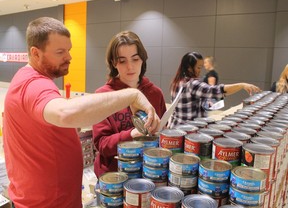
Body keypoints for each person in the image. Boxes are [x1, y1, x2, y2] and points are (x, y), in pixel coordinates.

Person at [3, 17, 160, 208]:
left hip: (54, 198)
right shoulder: (33, 85)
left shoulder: (31, 81)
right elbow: (65, 113)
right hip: (45, 203)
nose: (69, 57)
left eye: (68, 50)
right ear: (36, 53)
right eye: (60, 52)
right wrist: (131, 95)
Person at [92, 31, 166, 178]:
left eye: (135, 59)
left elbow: (163, 131)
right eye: (122, 61)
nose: (130, 67)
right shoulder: (103, 96)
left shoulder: (155, 93)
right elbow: (102, 144)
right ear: (114, 63)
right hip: (114, 177)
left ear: (142, 60)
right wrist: (132, 134)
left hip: (149, 172)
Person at [168, 52, 261, 128]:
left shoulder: (176, 82)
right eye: (198, 67)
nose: (200, 70)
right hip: (188, 130)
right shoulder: (192, 84)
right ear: (189, 67)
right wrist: (241, 85)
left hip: (176, 127)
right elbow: (215, 91)